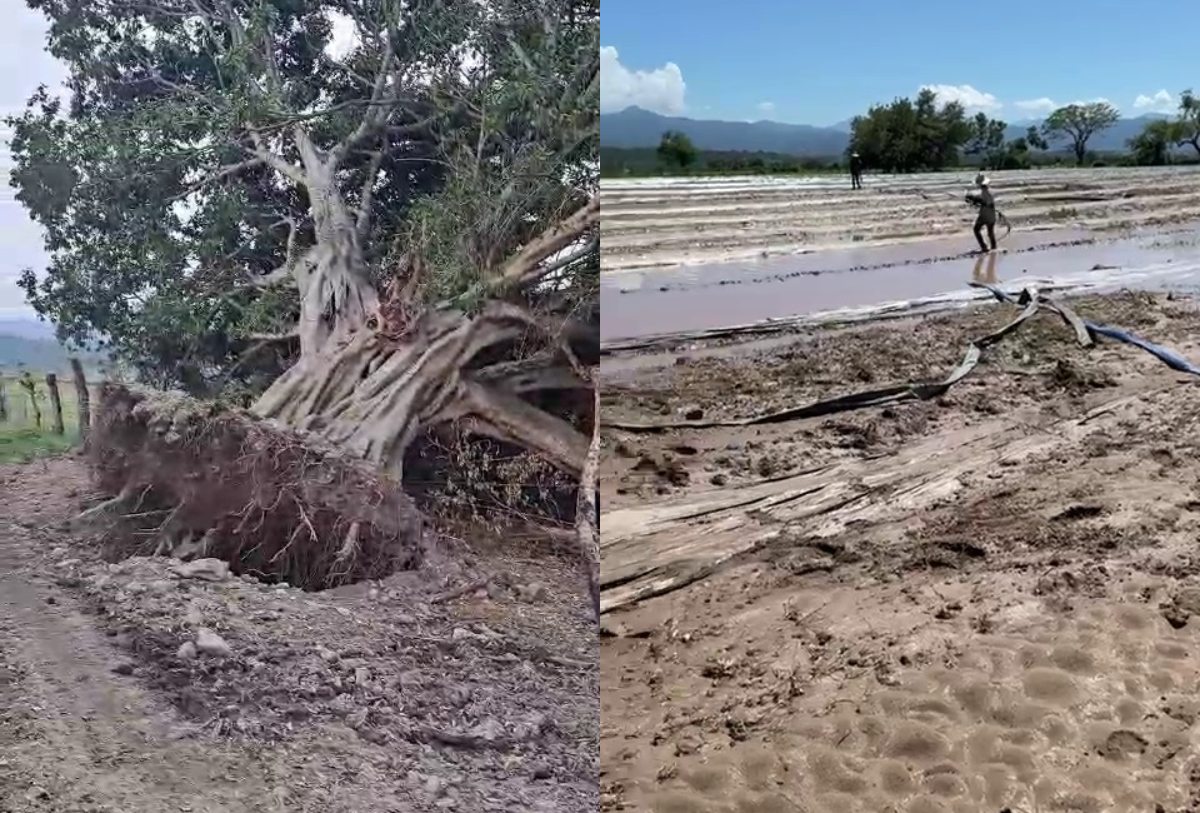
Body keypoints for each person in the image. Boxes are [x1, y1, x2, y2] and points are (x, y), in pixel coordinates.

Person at [965, 173, 997, 253]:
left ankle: (984, 247)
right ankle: (993, 247)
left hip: (985, 215)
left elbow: (984, 202)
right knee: (990, 232)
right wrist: (974, 200)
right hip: (991, 215)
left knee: (976, 230)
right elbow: (984, 202)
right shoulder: (987, 192)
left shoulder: (985, 192)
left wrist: (972, 199)